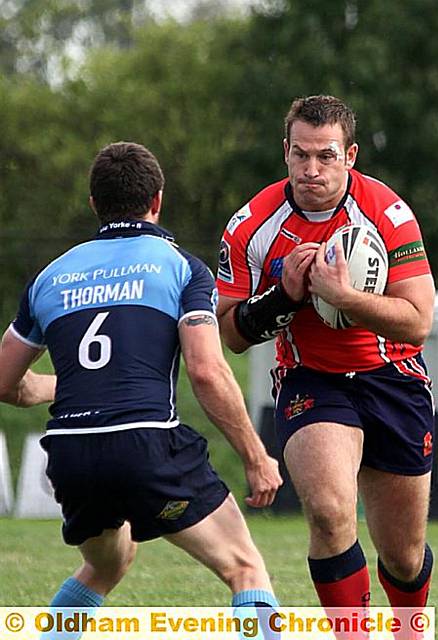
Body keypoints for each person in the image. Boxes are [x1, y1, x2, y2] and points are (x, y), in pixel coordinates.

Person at [0, 141, 282, 635]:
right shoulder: (180, 267)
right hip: (146, 444)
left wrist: (62, 386)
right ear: (157, 200)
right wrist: (256, 457)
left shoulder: (50, 276)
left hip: (71, 454)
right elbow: (206, 370)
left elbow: (6, 383)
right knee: (244, 568)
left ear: (94, 205)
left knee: (106, 565)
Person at [217, 95, 435, 622]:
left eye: (326, 156)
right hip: (312, 378)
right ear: (286, 152)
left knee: (403, 558)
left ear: (350, 155)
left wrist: (345, 298)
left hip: (392, 377)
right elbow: (231, 333)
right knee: (330, 512)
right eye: (301, 155)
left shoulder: (387, 211)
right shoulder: (251, 225)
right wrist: (283, 296)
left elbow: (418, 321)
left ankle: (410, 633)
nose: (311, 169)